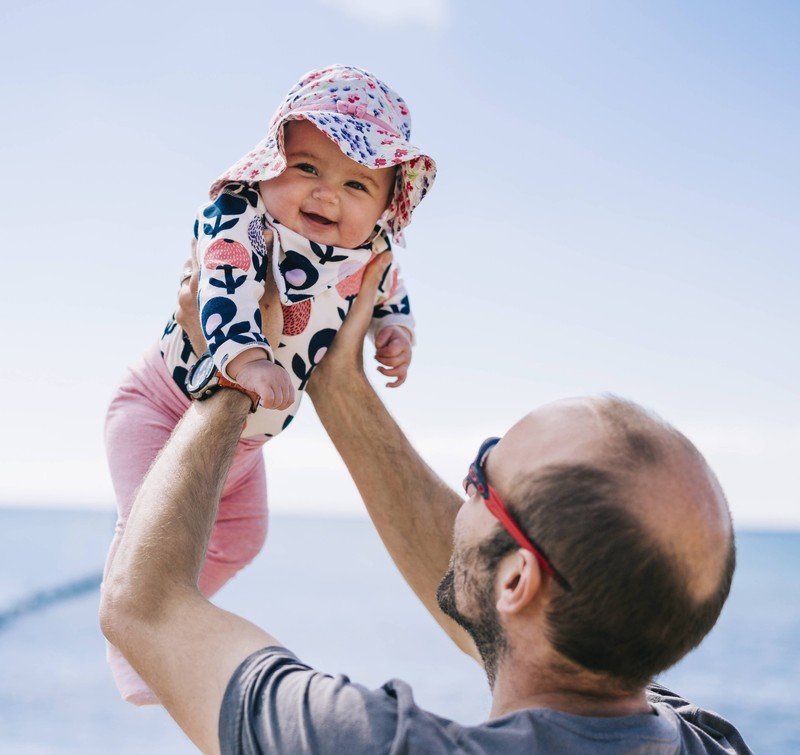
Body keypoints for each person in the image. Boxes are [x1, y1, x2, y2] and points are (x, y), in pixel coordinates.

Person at [100, 254, 753, 754]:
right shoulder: (705, 739)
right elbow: (503, 602)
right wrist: (336, 381)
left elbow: (143, 605)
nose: (463, 488)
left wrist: (228, 370)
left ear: (520, 578)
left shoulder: (373, 743)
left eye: (480, 475)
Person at [102, 63, 436, 704]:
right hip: (163, 404)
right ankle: (132, 638)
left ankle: (175, 605)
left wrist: (395, 331)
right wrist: (247, 361)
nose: (327, 195)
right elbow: (221, 285)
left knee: (244, 538)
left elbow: (389, 288)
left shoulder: (372, 247)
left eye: (356, 183)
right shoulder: (243, 215)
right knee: (146, 525)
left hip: (245, 446)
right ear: (271, 163)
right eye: (307, 168)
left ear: (388, 201)